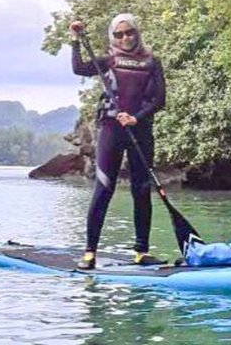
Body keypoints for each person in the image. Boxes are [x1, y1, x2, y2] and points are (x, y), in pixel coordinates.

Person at [69, 13, 166, 270]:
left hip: (140, 131)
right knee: (104, 189)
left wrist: (136, 117)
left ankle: (141, 252)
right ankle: (89, 253)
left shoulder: (151, 61)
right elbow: (78, 68)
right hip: (111, 130)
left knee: (141, 190)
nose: (125, 38)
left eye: (129, 32)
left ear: (137, 33)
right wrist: (75, 40)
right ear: (113, 37)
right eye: (119, 34)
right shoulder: (108, 61)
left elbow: (159, 100)